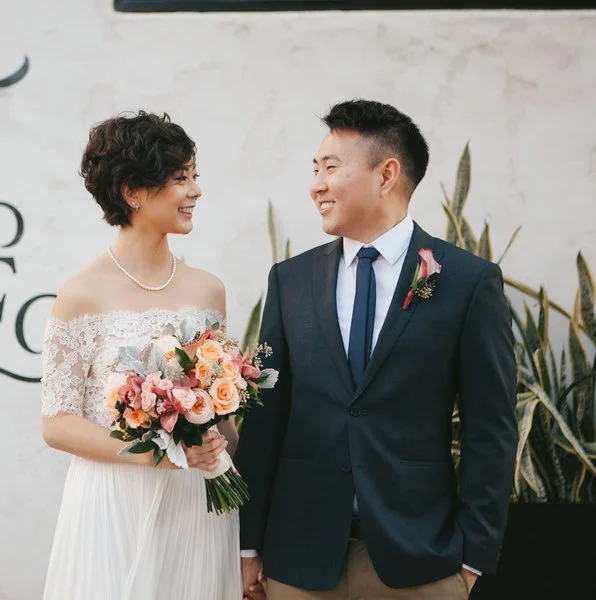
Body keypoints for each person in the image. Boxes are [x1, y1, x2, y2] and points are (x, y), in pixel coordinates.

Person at [237, 99, 518, 600]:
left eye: (330, 168)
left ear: (386, 174)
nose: (316, 185)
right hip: (298, 562)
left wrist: (473, 557)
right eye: (315, 170)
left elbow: (490, 429)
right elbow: (265, 417)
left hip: (422, 562)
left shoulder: (467, 281)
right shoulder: (290, 280)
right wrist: (248, 545)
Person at [40, 111, 241, 600]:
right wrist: (159, 454)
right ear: (132, 191)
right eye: (180, 178)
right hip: (112, 502)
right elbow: (57, 423)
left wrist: (217, 437)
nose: (195, 191)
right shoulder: (81, 294)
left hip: (194, 502)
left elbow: (224, 418)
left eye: (194, 176)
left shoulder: (208, 291)